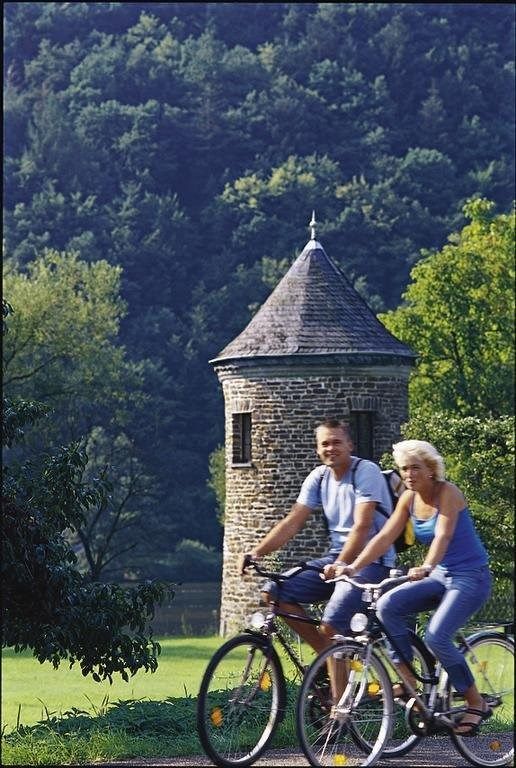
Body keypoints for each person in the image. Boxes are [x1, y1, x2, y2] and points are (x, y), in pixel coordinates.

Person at [324, 439, 492, 736]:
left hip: (470, 575)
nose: (409, 474)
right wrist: (353, 566)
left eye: (415, 468)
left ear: (431, 469)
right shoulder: (408, 498)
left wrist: (426, 565)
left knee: (437, 636)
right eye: (404, 469)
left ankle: (475, 702)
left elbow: (443, 536)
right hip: (440, 574)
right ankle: (409, 681)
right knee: (387, 606)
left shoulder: (448, 493)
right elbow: (384, 537)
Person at [240, 417, 396, 655]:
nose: (330, 448)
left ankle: (332, 669)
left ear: (350, 445)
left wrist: (342, 564)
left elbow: (362, 526)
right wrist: (256, 553)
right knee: (274, 591)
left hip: (372, 562)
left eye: (336, 442)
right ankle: (324, 659)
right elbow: (293, 521)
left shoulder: (365, 471)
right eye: (325, 444)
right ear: (317, 449)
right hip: (336, 559)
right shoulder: (319, 477)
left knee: (331, 626)